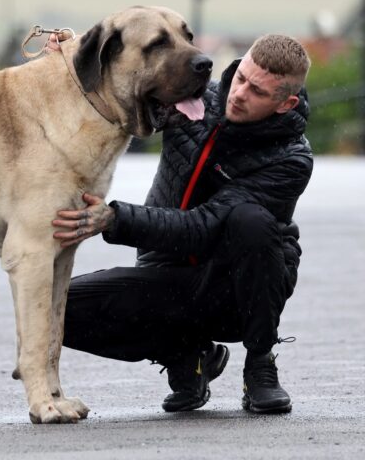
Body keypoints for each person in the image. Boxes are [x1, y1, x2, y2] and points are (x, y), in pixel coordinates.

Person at [51, 34, 313, 413]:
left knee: (250, 220)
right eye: (241, 77)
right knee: (54, 307)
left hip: (236, 294)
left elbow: (203, 226)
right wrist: (71, 56)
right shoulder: (192, 99)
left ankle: (260, 364)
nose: (239, 94)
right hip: (168, 275)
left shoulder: (291, 159)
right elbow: (115, 92)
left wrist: (113, 219)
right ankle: (187, 355)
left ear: (284, 104)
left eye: (257, 92)